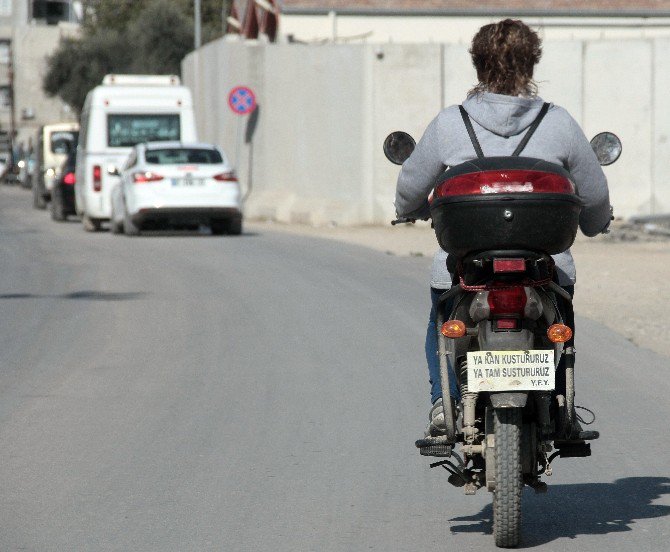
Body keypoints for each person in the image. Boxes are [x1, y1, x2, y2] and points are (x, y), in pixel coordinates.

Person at [393, 19, 612, 438]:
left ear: (477, 64)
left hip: (465, 267)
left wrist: (408, 208)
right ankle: (560, 403)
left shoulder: (451, 123)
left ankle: (445, 402)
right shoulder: (558, 122)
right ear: (533, 64)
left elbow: (410, 187)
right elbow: (594, 194)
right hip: (546, 268)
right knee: (560, 325)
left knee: (441, 322)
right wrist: (596, 222)